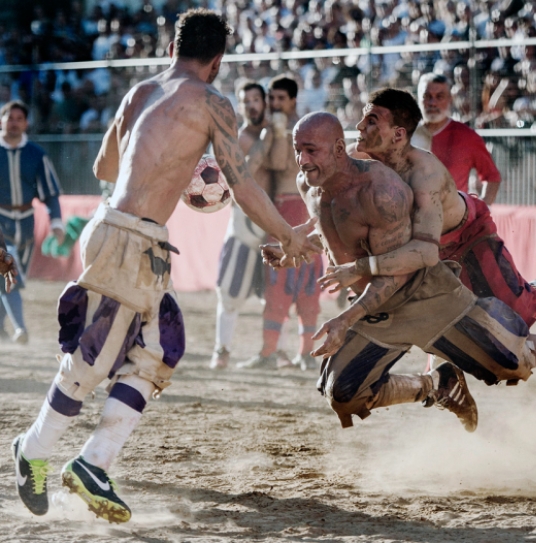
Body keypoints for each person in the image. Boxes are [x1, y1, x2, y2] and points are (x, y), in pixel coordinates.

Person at [11, 9, 318, 523]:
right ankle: (41, 451)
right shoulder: (213, 103)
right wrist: (288, 234)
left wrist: (170, 161)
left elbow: (103, 167)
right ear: (217, 61)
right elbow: (241, 186)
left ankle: (85, 460)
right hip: (132, 236)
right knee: (95, 359)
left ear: (173, 47)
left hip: (123, 231)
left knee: (159, 349)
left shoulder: (139, 91)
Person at [262, 111, 536, 433]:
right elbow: (330, 223)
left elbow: (399, 271)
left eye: (311, 151)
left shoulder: (381, 191)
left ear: (339, 149)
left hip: (426, 295)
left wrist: (346, 317)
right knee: (344, 394)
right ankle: (437, 386)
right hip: (377, 305)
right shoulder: (310, 182)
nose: (303, 161)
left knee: (514, 364)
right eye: (298, 151)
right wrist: (293, 247)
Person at [322, 88, 536, 335]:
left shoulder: (424, 173)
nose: (358, 127)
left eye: (370, 121)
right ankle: (440, 379)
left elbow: (424, 252)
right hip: (422, 246)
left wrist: (360, 266)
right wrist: (299, 236)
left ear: (398, 134)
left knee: (515, 315)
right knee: (442, 325)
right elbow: (334, 203)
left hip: (468, 235)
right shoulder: (356, 158)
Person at [238, 75, 324, 371]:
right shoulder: (270, 130)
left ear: (292, 100)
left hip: (306, 210)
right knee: (277, 284)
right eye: (271, 98)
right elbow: (259, 166)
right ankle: (269, 352)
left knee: (309, 286)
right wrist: (271, 135)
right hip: (280, 210)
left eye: (279, 99)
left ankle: (307, 353)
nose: (274, 104)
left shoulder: (308, 128)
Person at [209, 79, 269, 369]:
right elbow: (244, 174)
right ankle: (222, 349)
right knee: (230, 292)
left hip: (276, 219)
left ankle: (275, 351)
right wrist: (268, 140)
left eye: (256, 99)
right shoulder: (238, 138)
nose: (251, 105)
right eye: (246, 101)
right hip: (245, 222)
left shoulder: (282, 133)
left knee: (277, 294)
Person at [0, 100, 65, 344]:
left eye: (19, 118)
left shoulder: (37, 154)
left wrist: (56, 223)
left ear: (26, 123)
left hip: (26, 224)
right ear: (1, 121)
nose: (14, 123)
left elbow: (50, 193)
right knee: (7, 272)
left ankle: (1, 330)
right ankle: (20, 328)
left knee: (8, 279)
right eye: (10, 118)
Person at [410, 73, 502, 205]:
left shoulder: (466, 137)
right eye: (427, 96)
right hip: (411, 220)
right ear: (418, 99)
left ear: (450, 99)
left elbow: (492, 177)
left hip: (452, 221)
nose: (432, 102)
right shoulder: (404, 135)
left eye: (439, 97)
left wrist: (481, 211)